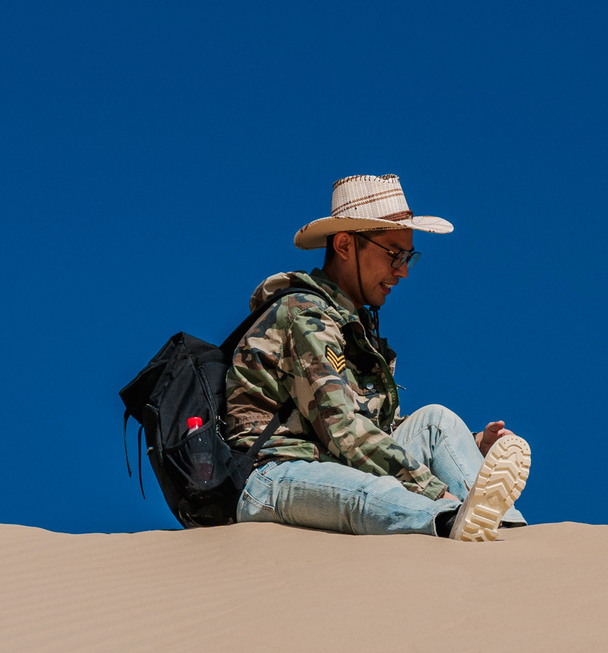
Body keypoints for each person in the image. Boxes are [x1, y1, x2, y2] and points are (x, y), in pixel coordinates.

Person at [224, 174, 531, 541]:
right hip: (271, 472)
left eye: (408, 257)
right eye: (393, 254)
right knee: (364, 492)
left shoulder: (353, 324)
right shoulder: (304, 314)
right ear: (343, 245)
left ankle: (510, 535)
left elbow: (377, 430)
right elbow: (344, 430)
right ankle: (452, 520)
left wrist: (472, 443)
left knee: (437, 422)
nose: (402, 270)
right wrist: (433, 489)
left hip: (330, 460)